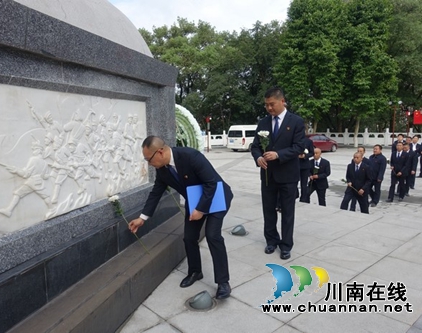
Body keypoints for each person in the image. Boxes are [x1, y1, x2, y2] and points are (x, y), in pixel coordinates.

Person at [128, 136, 233, 299]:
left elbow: (211, 183)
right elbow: (156, 192)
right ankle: (195, 271)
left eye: (149, 159)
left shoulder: (191, 156)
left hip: (216, 196)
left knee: (213, 236)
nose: (148, 164)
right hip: (196, 200)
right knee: (189, 238)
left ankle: (223, 282)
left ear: (160, 152)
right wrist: (142, 218)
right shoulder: (162, 169)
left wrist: (200, 210)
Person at [251, 87, 305, 260]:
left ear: (282, 101)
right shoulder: (263, 122)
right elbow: (255, 146)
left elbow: (298, 148)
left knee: (288, 212)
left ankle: (286, 245)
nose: (269, 108)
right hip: (268, 175)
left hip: (288, 176)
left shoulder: (296, 121)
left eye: (271, 104)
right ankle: (271, 240)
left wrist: (278, 155)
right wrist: (258, 157)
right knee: (268, 211)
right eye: (266, 105)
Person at [349, 146, 370, 211]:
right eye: (354, 158)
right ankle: (352, 209)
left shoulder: (367, 165)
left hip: (362, 187)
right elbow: (348, 175)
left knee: (364, 205)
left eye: (361, 151)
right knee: (349, 200)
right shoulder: (351, 165)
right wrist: (349, 181)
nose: (355, 159)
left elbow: (369, 179)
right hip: (353, 187)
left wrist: (363, 188)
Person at [298, 134, 315, 203]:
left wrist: (305, 155)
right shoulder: (294, 139)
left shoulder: (309, 141)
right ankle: (293, 195)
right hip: (295, 165)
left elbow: (312, 153)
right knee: (293, 182)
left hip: (305, 165)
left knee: (304, 184)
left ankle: (303, 199)